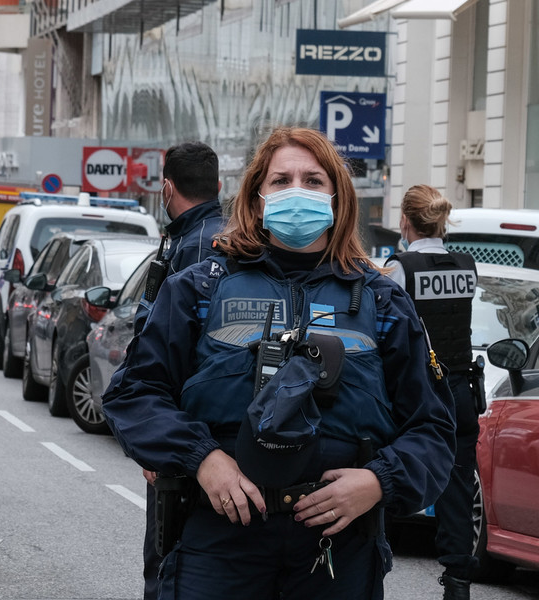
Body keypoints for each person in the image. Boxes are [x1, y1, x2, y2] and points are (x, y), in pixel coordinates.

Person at [101, 126, 456, 600]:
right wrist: (202, 458)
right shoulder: (200, 287)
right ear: (257, 195)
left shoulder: (382, 300)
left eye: (313, 181)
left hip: (337, 552)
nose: (297, 191)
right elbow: (133, 394)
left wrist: (378, 481)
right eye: (281, 180)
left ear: (337, 197)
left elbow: (433, 427)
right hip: (218, 541)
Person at [136, 141, 226, 600]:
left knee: (169, 563)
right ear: (220, 186)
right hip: (226, 438)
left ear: (167, 188)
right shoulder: (240, 237)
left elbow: (167, 354)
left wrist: (158, 440)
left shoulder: (189, 248)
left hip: (185, 438)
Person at [386, 185, 479, 600]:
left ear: (405, 221)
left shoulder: (401, 266)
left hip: (416, 391)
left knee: (387, 474)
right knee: (458, 489)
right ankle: (458, 583)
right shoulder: (466, 265)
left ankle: (373, 568)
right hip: (460, 390)